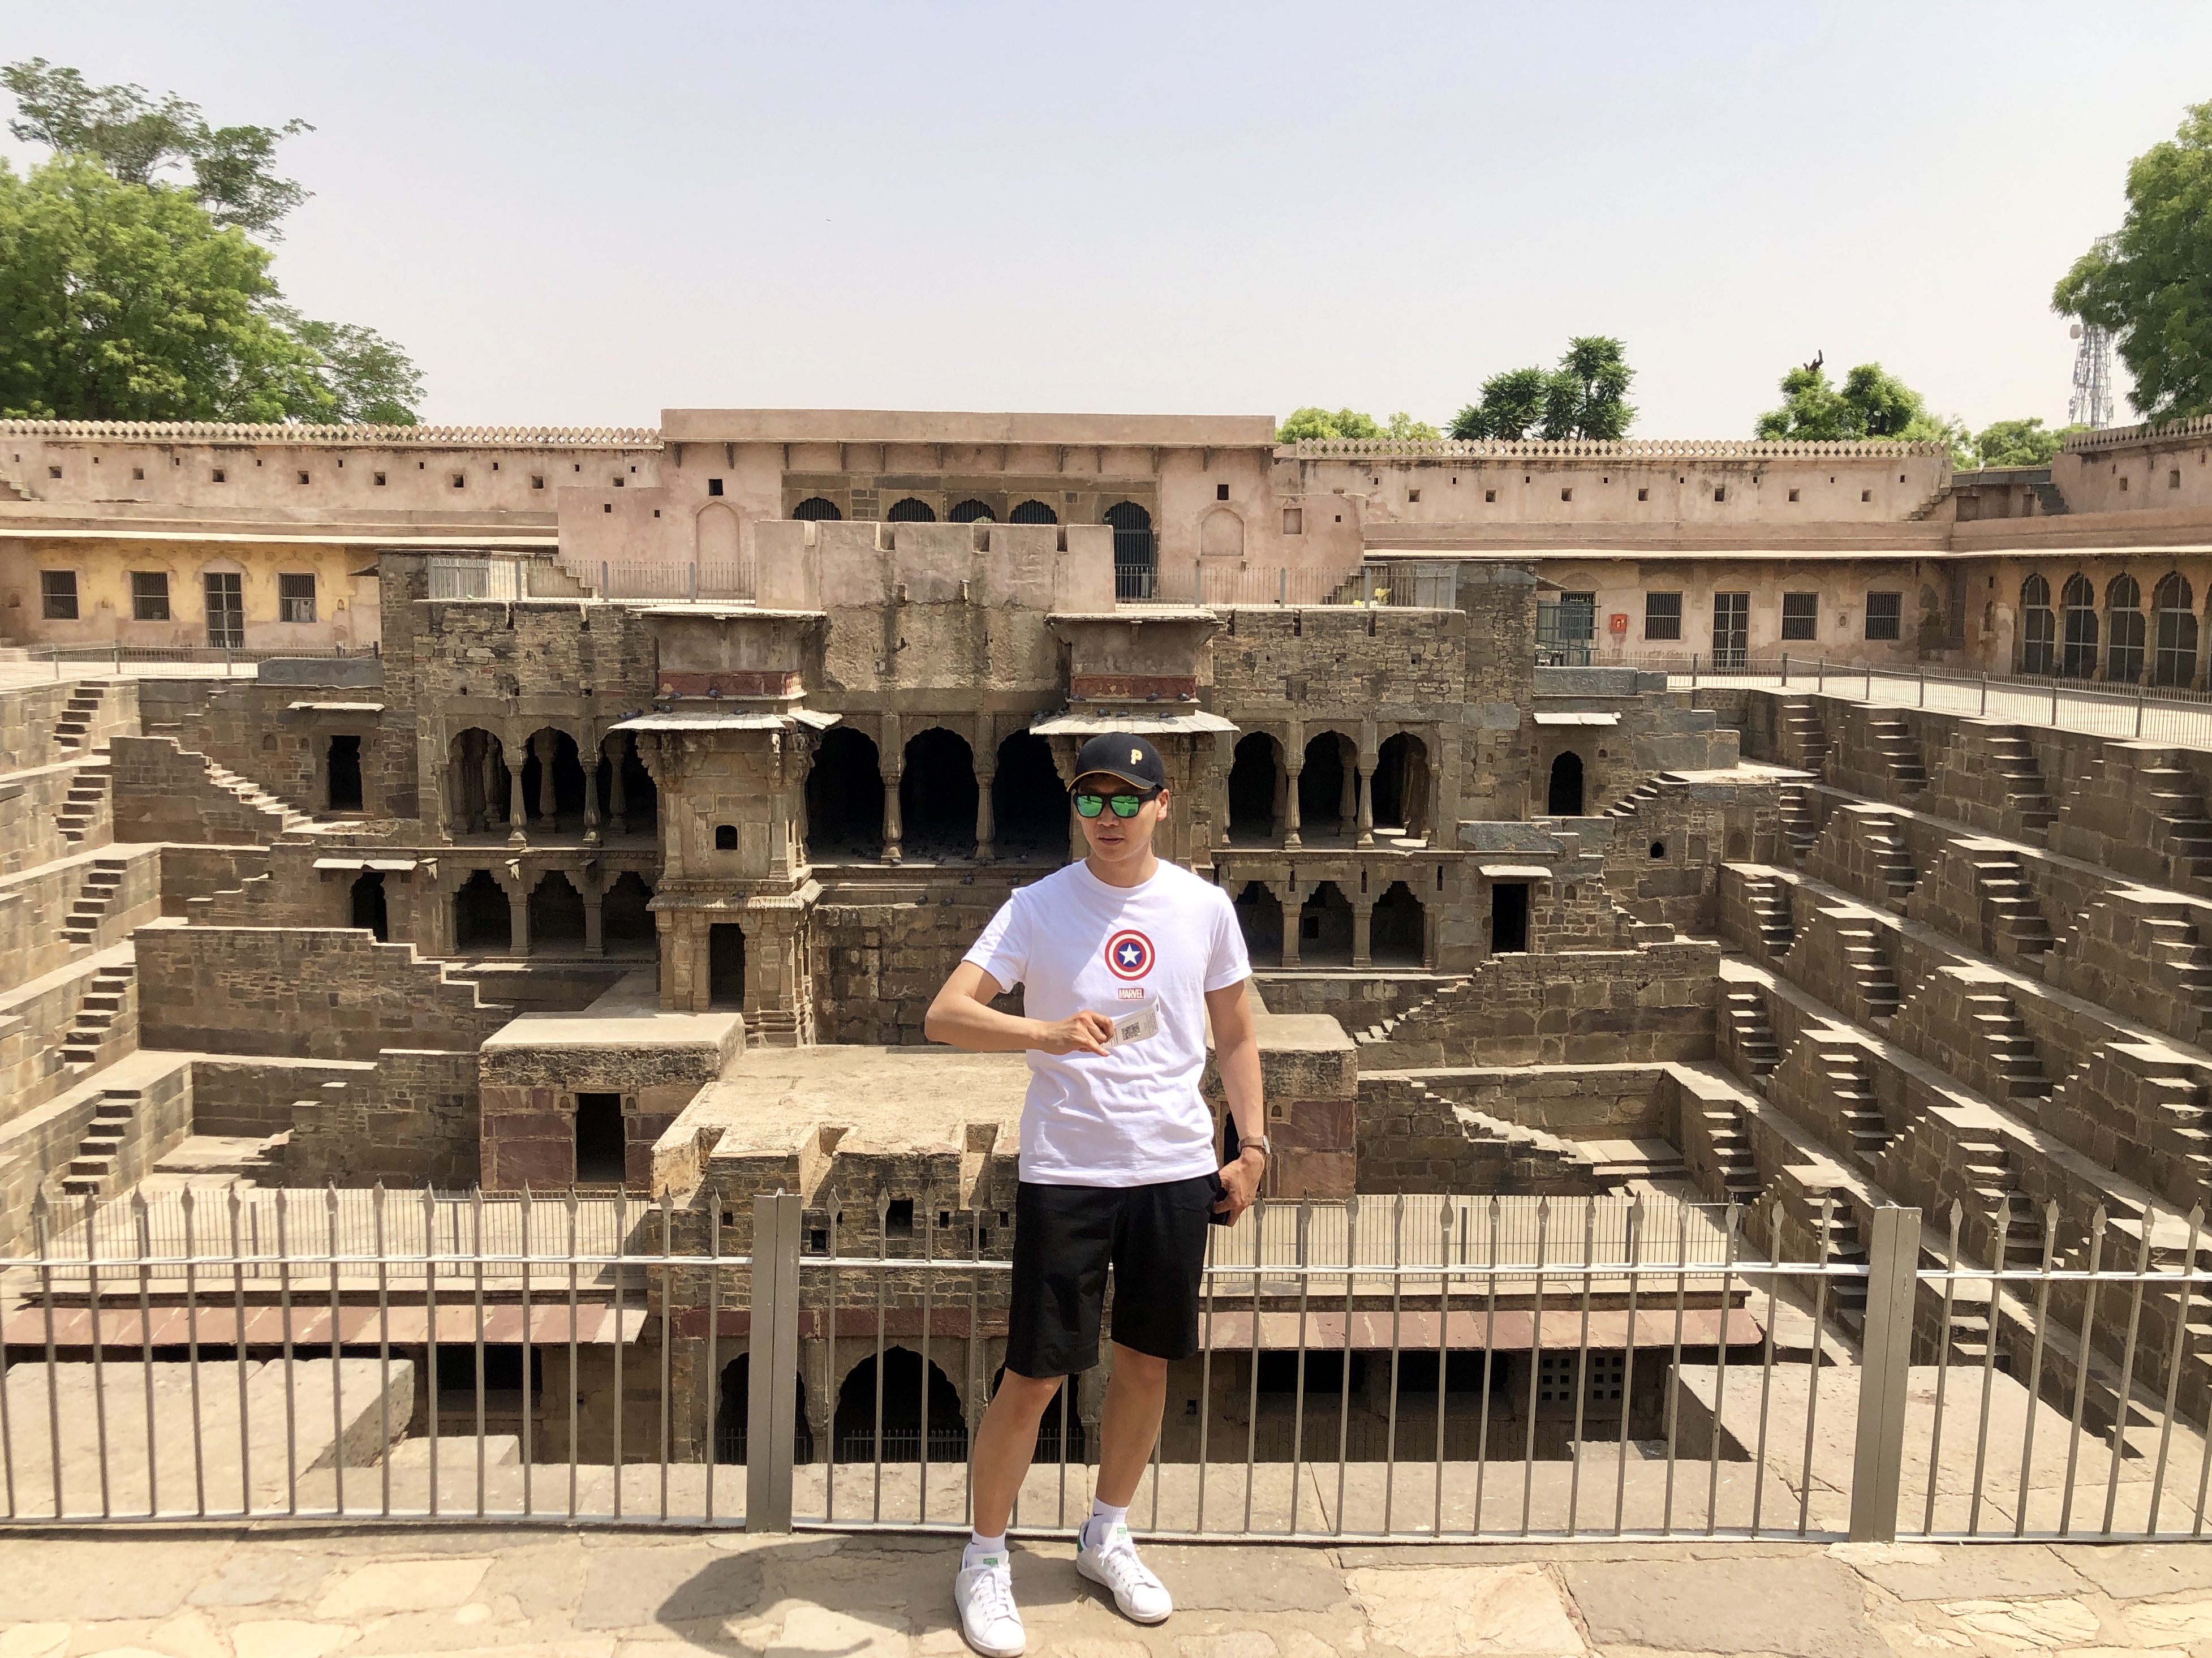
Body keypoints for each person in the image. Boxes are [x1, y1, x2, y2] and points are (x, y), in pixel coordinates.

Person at [923, 731, 1269, 1658]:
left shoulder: (1202, 907)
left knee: (1146, 1362)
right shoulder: (1037, 906)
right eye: (1090, 799)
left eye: (1126, 799)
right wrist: (1045, 1030)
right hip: (1069, 1171)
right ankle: (984, 1556)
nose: (1107, 817)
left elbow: (1235, 1035)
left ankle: (1105, 1532)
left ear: (1162, 804)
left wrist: (1252, 1146)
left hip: (1172, 1167)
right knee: (1035, 1373)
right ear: (1074, 806)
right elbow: (946, 1014)